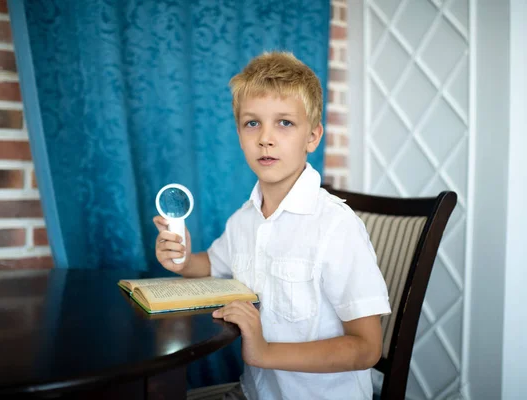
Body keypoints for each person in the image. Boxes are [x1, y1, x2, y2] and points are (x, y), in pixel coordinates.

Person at [154, 52, 391, 400]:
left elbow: (366, 348)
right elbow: (212, 266)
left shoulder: (336, 227)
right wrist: (183, 259)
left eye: (284, 123)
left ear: (312, 137)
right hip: (255, 392)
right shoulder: (243, 219)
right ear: (239, 134)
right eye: (253, 123)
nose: (265, 138)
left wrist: (265, 352)